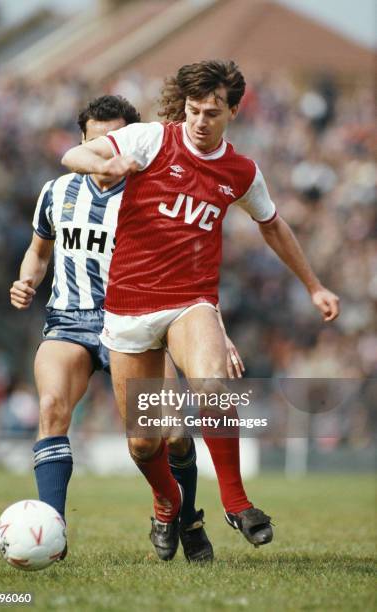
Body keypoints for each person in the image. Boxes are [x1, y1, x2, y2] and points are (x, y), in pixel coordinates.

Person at [61, 60, 340, 561]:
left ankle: (237, 502)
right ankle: (168, 505)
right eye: (193, 111)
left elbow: (273, 225)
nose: (200, 121)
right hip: (128, 307)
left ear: (233, 111)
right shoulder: (149, 140)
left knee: (212, 382)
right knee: (145, 445)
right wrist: (104, 164)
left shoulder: (241, 171)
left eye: (212, 112)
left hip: (191, 302)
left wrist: (314, 285)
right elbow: (73, 152)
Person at [10, 95, 241, 563]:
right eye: (95, 144)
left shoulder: (154, 195)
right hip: (70, 321)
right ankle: (51, 532)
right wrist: (26, 280)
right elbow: (39, 250)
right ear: (82, 143)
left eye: (113, 144)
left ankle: (187, 517)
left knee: (171, 434)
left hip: (138, 322)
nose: (105, 155)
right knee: (52, 407)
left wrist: (218, 330)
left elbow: (190, 271)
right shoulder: (56, 192)